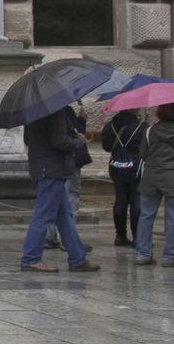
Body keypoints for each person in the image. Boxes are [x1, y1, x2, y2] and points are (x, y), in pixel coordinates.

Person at [21, 107, 100, 273]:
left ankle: (78, 258)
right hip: (53, 169)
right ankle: (31, 258)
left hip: (42, 167)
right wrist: (79, 141)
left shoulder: (34, 111)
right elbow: (61, 142)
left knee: (64, 216)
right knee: (43, 215)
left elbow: (28, 140)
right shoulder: (54, 112)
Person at [47, 104, 92, 250]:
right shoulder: (63, 111)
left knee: (55, 199)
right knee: (70, 198)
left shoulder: (44, 111)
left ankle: (50, 236)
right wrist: (82, 121)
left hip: (52, 163)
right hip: (68, 162)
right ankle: (68, 239)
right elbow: (71, 136)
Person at [135, 103, 174, 268]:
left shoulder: (149, 130)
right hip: (171, 175)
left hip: (150, 176)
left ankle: (143, 254)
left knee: (146, 215)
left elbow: (142, 154)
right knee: (172, 218)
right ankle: (170, 256)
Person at [103, 108, 148, 246]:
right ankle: (137, 237)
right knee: (136, 200)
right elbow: (147, 147)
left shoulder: (110, 125)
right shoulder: (141, 126)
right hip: (135, 166)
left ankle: (120, 236)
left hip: (116, 166)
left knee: (120, 198)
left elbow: (106, 147)